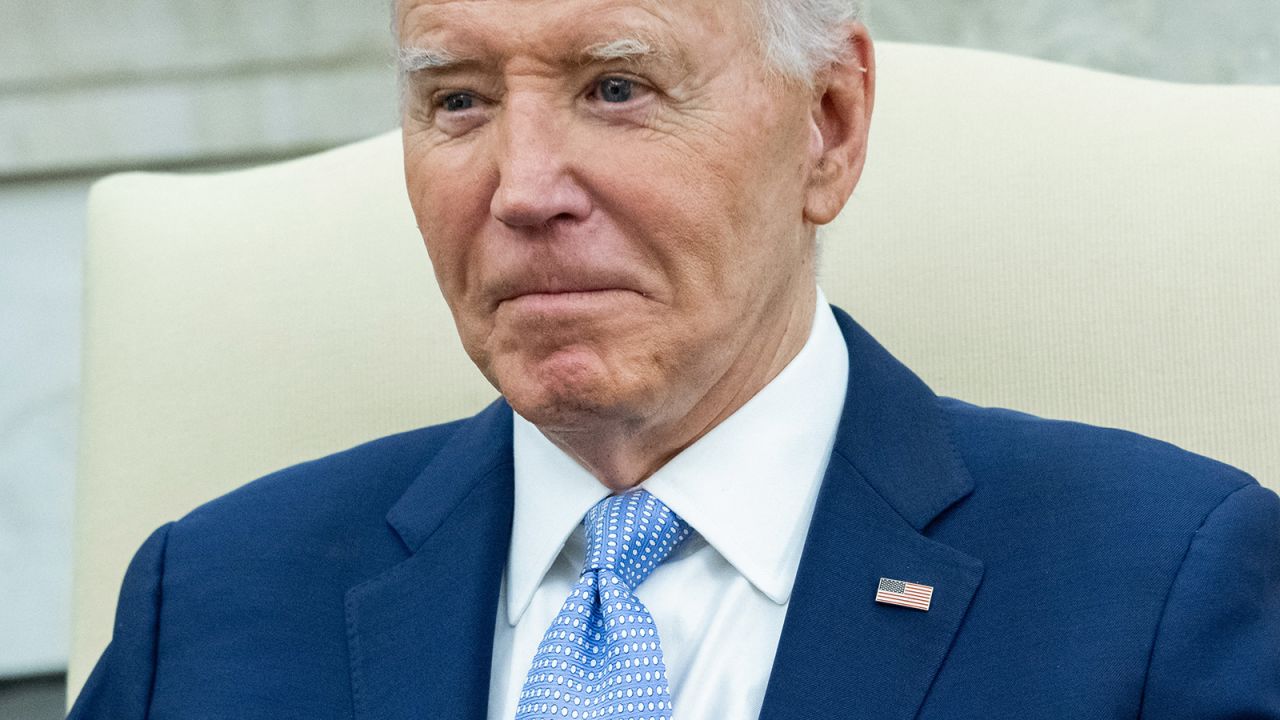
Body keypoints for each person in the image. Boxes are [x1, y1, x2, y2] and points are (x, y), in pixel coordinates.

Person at [70, 0, 1279, 717]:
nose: (523, 189)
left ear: (827, 127)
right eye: (456, 101)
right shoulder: (212, 608)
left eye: (615, 87)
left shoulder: (1156, 587)